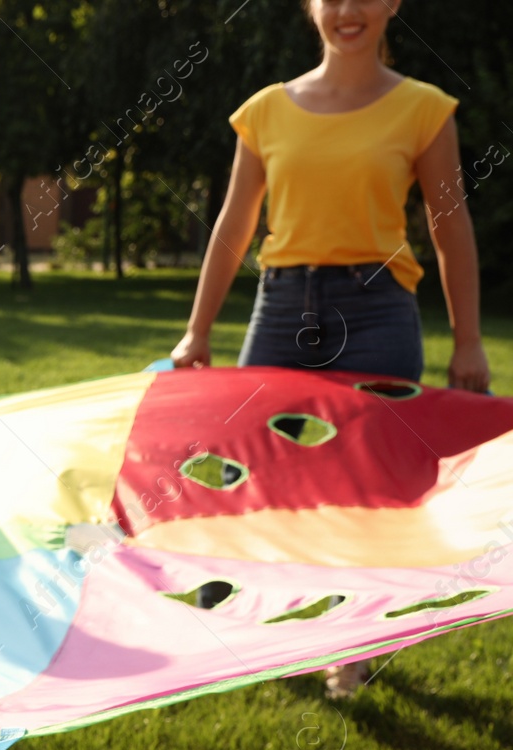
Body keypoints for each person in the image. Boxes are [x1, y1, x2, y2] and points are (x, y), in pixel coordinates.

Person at [169, 0, 490, 696]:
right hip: (282, 305)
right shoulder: (264, 112)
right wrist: (198, 330)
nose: (348, 11)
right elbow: (233, 225)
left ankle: (354, 643)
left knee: (371, 488)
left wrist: (469, 341)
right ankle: (224, 621)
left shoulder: (424, 109)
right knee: (244, 464)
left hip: (378, 311)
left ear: (392, 5)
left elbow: (450, 224)